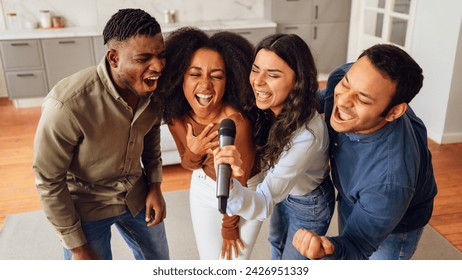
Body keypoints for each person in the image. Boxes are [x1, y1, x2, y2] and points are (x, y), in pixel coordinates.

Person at [32, 8, 169, 260]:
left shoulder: (154, 90)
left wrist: (155, 186)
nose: (158, 66)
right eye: (144, 58)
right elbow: (49, 180)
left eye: (161, 55)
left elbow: (151, 138)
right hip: (86, 205)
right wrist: (76, 247)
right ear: (114, 58)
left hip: (136, 196)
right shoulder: (66, 104)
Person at [292, 44, 438, 260]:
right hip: (355, 192)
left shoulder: (389, 183)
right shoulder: (348, 76)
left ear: (394, 111)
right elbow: (326, 98)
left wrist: (327, 249)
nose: (343, 100)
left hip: (397, 221)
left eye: (362, 99)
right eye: (346, 85)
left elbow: (356, 246)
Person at [214, 33, 335, 260]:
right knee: (276, 244)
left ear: (298, 81)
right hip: (287, 190)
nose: (258, 81)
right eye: (256, 69)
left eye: (273, 75)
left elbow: (263, 201)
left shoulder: (306, 137)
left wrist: (230, 186)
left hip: (310, 203)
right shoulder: (271, 105)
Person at [158, 27, 263, 260]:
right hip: (203, 184)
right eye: (195, 74)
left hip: (244, 190)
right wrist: (193, 153)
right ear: (180, 78)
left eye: (216, 75)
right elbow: (189, 164)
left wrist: (229, 227)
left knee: (232, 267)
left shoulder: (237, 123)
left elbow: (239, 181)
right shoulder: (177, 117)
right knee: (209, 261)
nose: (205, 85)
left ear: (229, 81)